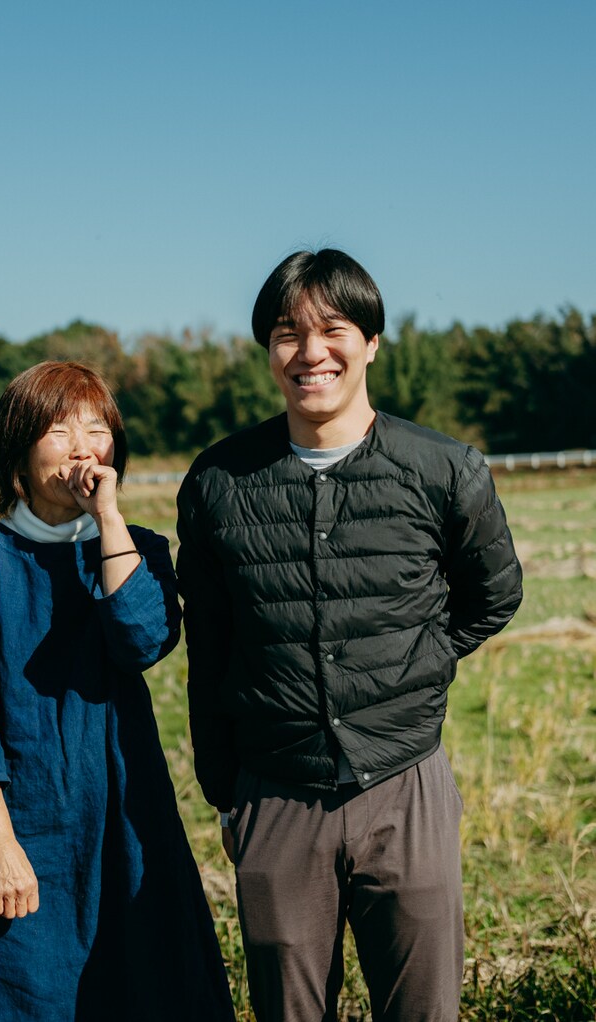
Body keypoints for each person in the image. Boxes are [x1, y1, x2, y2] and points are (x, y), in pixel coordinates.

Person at [176, 250, 523, 1022]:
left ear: (370, 342)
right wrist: (227, 795)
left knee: (422, 1009)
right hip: (273, 792)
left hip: (405, 783)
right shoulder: (218, 482)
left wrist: (412, 668)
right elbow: (211, 646)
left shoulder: (444, 470)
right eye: (284, 334)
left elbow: (493, 595)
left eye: (331, 329)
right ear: (267, 351)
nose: (309, 353)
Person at [0, 361, 235, 1022]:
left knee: (144, 989)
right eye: (59, 430)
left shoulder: (137, 549)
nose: (83, 445)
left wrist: (108, 519)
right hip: (20, 826)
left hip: (125, 821)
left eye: (98, 428)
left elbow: (142, 639)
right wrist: (0, 847)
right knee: (19, 996)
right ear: (18, 449)